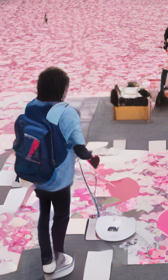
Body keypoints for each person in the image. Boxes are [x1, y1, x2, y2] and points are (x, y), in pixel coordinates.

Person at [22, 68, 100, 278]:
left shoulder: (31, 106)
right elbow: (79, 147)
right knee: (61, 215)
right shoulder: (67, 112)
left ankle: (46, 260)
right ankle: (59, 255)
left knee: (44, 214)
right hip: (59, 177)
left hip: (37, 172)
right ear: (62, 89)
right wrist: (92, 158)